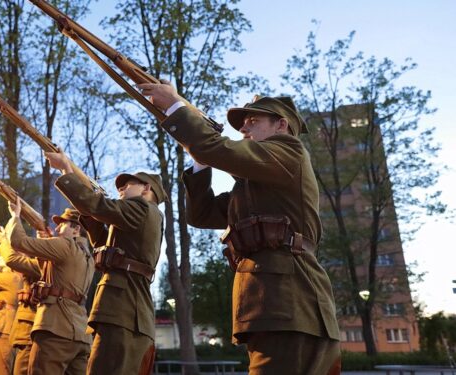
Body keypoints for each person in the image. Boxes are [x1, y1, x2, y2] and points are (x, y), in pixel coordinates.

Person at [138, 81, 341, 374]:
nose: (243, 129)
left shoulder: (290, 152)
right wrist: (201, 162)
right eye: (243, 124)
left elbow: (222, 150)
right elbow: (203, 214)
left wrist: (174, 106)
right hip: (280, 307)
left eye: (253, 121)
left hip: (290, 304)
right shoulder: (255, 184)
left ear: (281, 125)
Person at [43, 152, 166, 375]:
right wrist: (89, 210)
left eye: (126, 185)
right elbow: (104, 246)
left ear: (146, 189)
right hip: (128, 314)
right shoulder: (142, 216)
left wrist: (66, 171)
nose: (120, 190)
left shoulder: (141, 208)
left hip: (122, 311)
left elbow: (98, 206)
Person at [5, 204, 95, 375]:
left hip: (55, 329)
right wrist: (46, 244)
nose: (57, 227)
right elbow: (57, 274)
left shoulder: (64, 246)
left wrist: (15, 216)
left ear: (76, 229)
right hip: (81, 335)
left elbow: (18, 241)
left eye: (63, 224)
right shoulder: (88, 257)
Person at [0, 228, 41, 375]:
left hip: (29, 330)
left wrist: (4, 240)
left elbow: (12, 259)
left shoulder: (39, 265)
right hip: (24, 330)